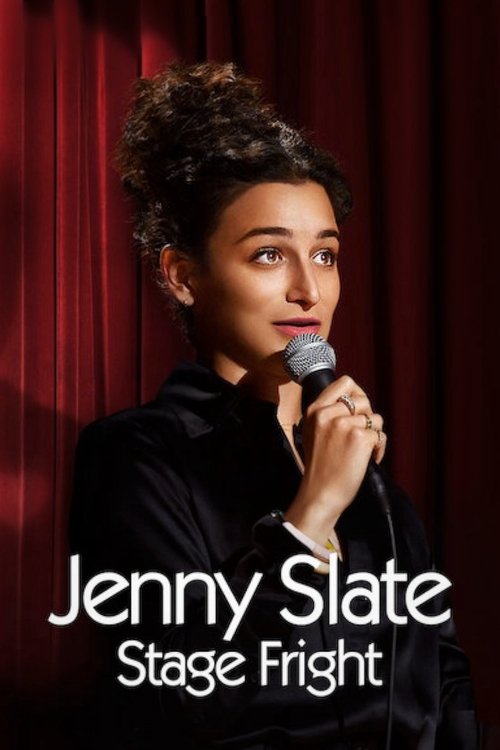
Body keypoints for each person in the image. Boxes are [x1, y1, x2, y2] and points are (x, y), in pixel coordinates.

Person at [70, 62, 479, 750]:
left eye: (325, 256)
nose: (307, 290)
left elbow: (443, 682)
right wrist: (311, 514)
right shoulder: (136, 457)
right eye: (267, 254)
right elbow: (187, 689)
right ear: (183, 275)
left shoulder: (368, 477)